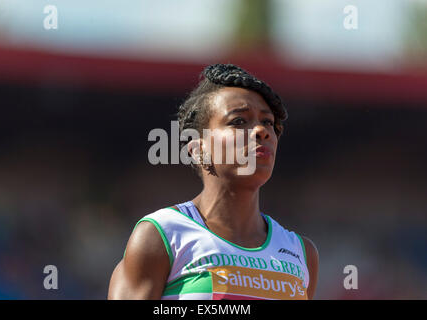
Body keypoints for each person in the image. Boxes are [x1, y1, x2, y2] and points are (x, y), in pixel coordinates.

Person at [108, 64, 319, 300]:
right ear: (198, 149)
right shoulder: (161, 236)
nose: (262, 130)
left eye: (268, 122)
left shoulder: (301, 253)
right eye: (239, 121)